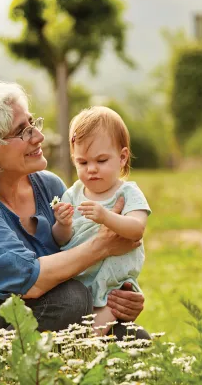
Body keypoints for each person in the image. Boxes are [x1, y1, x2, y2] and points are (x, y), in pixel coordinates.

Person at [0, 82, 147, 337]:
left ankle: (69, 361)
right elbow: (29, 280)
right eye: (22, 131)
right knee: (70, 300)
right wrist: (104, 244)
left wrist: (120, 296)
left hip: (59, 306)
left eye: (33, 124)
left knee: (134, 338)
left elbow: (77, 253)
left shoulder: (49, 185)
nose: (38, 136)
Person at [53, 106, 150, 336]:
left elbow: (137, 230)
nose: (92, 169)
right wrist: (63, 224)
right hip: (80, 277)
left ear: (122, 157)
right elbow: (61, 240)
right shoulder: (72, 194)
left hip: (112, 284)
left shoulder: (127, 193)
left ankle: (86, 357)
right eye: (83, 163)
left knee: (92, 335)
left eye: (101, 160)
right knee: (76, 328)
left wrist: (106, 216)